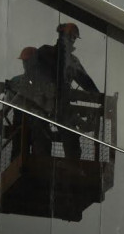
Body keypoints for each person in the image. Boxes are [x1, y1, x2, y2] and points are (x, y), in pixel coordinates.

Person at [36, 23, 100, 160]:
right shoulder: (45, 53)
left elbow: (87, 83)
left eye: (73, 38)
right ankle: (45, 161)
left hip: (60, 106)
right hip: (43, 104)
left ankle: (71, 164)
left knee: (70, 137)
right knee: (42, 134)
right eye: (71, 38)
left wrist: (99, 97)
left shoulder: (70, 60)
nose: (71, 41)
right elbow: (34, 75)